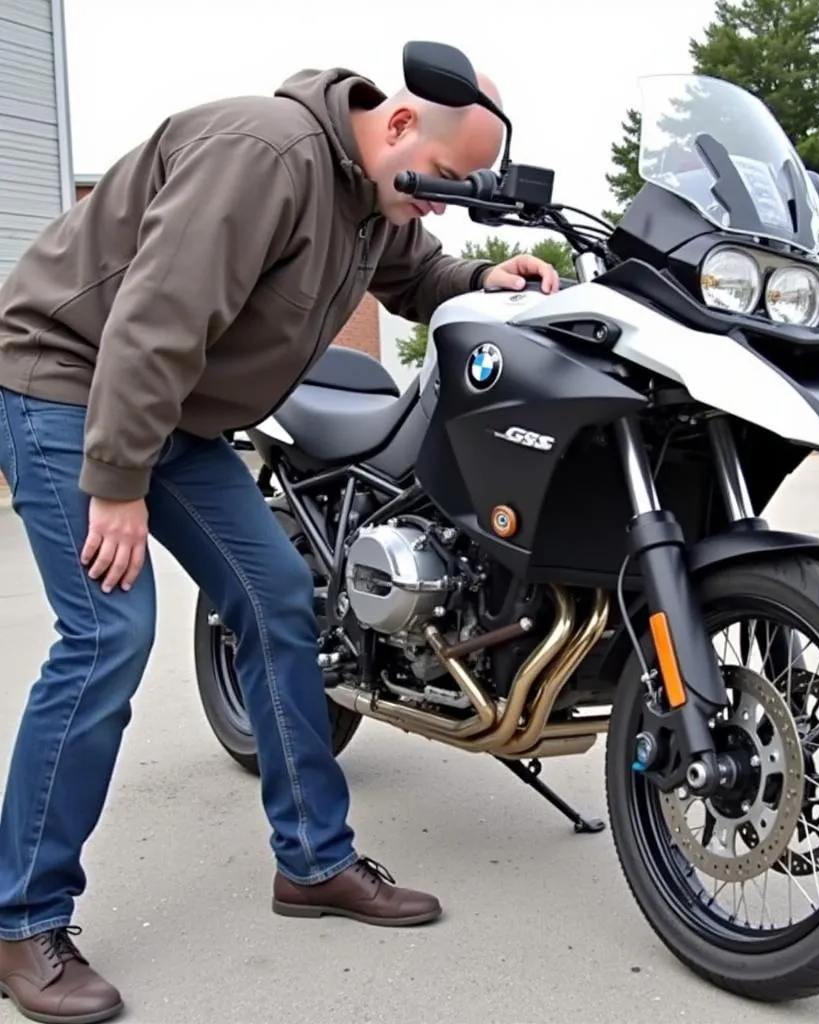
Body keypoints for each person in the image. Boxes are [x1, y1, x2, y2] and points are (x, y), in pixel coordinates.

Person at [0, 57, 560, 1023]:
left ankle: (313, 863)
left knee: (278, 596)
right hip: (69, 381)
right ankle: (22, 921)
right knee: (107, 634)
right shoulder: (268, 154)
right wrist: (119, 482)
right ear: (393, 131)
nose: (435, 207)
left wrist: (482, 275)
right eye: (435, 183)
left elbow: (413, 272)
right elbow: (156, 315)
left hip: (176, 415)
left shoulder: (368, 198)